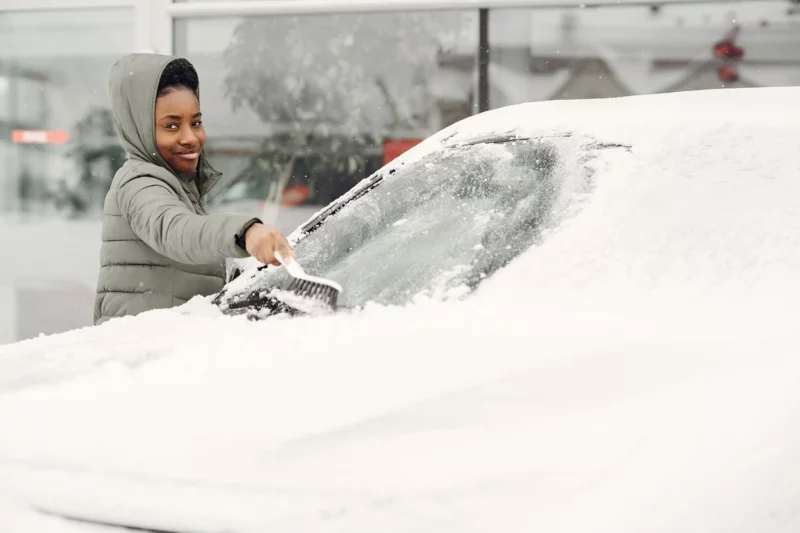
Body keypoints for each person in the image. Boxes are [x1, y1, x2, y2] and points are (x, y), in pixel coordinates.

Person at [94, 53, 295, 325]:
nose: (190, 138)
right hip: (142, 355)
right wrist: (245, 232)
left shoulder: (175, 185)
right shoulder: (139, 181)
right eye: (171, 126)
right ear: (139, 128)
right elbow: (175, 230)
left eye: (196, 123)